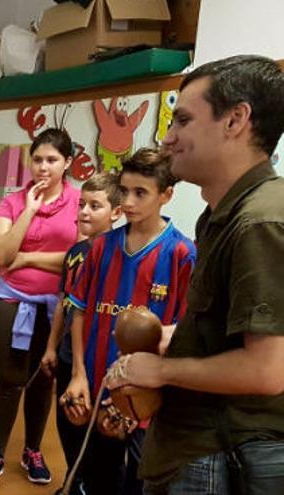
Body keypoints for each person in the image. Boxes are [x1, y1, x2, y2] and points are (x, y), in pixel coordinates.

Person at [106, 55, 284, 494]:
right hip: (193, 445)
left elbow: (266, 370)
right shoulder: (223, 214)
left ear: (236, 120)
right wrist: (179, 336)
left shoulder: (260, 221)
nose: (167, 138)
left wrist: (162, 371)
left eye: (182, 120)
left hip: (221, 451)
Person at [63, 148, 196, 494]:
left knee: (141, 482)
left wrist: (144, 398)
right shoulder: (100, 247)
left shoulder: (182, 254)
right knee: (98, 479)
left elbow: (183, 333)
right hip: (94, 386)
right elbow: (78, 310)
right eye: (124, 191)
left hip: (146, 400)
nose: (130, 201)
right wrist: (78, 373)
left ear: (167, 194)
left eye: (142, 192)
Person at [0, 128, 80, 491]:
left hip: (58, 306)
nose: (43, 167)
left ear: (67, 162)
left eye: (52, 160)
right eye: (37, 159)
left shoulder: (79, 202)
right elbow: (1, 256)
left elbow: (79, 258)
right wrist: (30, 210)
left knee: (43, 381)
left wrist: (29, 257)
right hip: (11, 299)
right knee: (9, 380)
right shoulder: (12, 202)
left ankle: (32, 450)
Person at [40, 173, 122, 494]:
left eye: (95, 206)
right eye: (82, 204)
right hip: (65, 354)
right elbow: (64, 303)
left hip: (98, 360)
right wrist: (50, 347)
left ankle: (91, 484)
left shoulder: (117, 254)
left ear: (115, 212)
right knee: (68, 423)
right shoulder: (75, 252)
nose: (84, 212)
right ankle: (75, 480)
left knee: (103, 435)